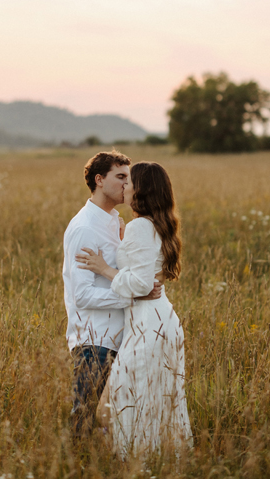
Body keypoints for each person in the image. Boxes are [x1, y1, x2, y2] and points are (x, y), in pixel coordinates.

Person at [77, 161, 192, 455]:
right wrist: (122, 240)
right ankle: (160, 460)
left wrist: (103, 268)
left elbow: (141, 284)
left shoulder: (141, 227)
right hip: (160, 319)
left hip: (147, 325)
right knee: (156, 399)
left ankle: (136, 462)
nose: (124, 186)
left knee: (124, 400)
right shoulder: (154, 224)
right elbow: (145, 268)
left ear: (141, 189)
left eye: (129, 182)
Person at [63, 150, 162, 439]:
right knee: (84, 416)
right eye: (120, 177)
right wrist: (133, 297)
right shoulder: (85, 227)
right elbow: (82, 295)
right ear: (99, 180)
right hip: (95, 339)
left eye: (128, 178)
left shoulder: (114, 222)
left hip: (119, 336)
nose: (127, 184)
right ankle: (75, 462)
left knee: (113, 419)